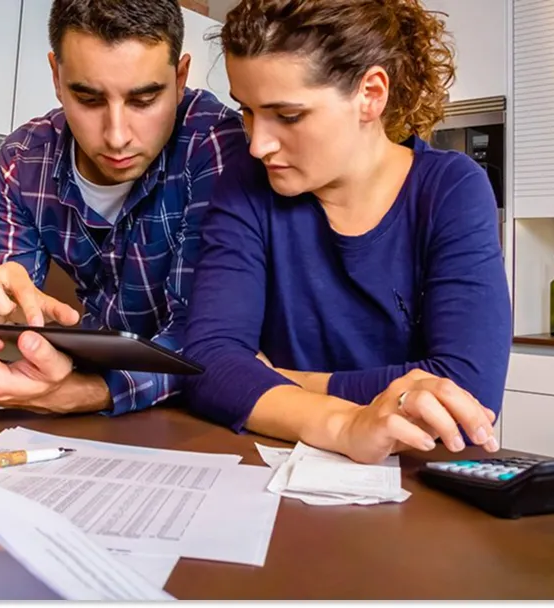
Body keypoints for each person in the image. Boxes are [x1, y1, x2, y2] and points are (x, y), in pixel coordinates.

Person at [183, 0, 513, 464]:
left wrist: (279, 381)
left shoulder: (450, 189)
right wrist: (345, 424)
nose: (258, 144)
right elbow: (208, 362)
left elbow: (466, 394)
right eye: (249, 111)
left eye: (288, 116)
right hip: (273, 468)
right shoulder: (246, 183)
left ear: (370, 95)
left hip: (412, 478)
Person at [0, 0, 246, 417]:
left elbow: (205, 338)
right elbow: (10, 301)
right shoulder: (23, 160)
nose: (117, 136)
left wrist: (83, 393)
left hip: (197, 408)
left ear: (180, 77)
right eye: (89, 99)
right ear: (56, 77)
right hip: (95, 394)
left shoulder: (216, 146)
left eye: (144, 99)